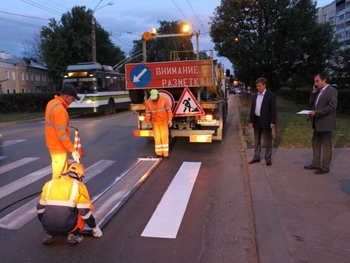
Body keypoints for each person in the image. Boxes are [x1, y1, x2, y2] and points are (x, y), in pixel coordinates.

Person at [36, 162, 102, 244]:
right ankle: (74, 234)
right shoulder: (79, 186)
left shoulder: (49, 183)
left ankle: (50, 233)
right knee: (87, 208)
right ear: (79, 175)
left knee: (48, 208)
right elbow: (85, 212)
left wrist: (46, 223)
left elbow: (39, 209)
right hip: (69, 226)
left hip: (47, 226)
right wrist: (95, 228)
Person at [304, 73, 338, 174]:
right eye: (315, 81)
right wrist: (314, 92)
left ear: (324, 80)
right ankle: (315, 164)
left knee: (326, 146)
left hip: (326, 123)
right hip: (317, 123)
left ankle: (325, 167)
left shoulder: (331, 91)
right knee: (315, 144)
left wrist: (317, 112)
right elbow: (311, 103)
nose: (316, 83)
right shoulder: (318, 91)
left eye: (317, 81)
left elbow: (332, 106)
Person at [45, 85, 81, 179]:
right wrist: (73, 150)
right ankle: (56, 192)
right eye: (72, 98)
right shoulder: (60, 110)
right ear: (66, 96)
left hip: (53, 143)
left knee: (60, 172)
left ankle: (58, 191)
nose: (73, 101)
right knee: (59, 175)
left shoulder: (52, 103)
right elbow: (62, 135)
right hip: (58, 147)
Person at [248, 77, 277, 166]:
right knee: (257, 141)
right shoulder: (255, 96)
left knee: (267, 141)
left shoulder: (271, 96)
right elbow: (252, 109)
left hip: (266, 121)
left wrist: (272, 122)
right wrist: (251, 121)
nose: (258, 88)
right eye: (257, 86)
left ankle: (268, 158)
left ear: (264, 85)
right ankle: (256, 157)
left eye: (259, 86)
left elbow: (273, 110)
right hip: (256, 120)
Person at [145, 89, 173, 159]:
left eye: (155, 98)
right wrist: (148, 121)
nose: (154, 100)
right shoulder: (148, 102)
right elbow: (148, 113)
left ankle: (166, 154)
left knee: (164, 138)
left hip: (163, 122)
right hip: (155, 123)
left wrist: (170, 120)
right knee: (157, 138)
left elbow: (169, 111)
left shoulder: (164, 100)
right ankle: (159, 154)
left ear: (158, 95)